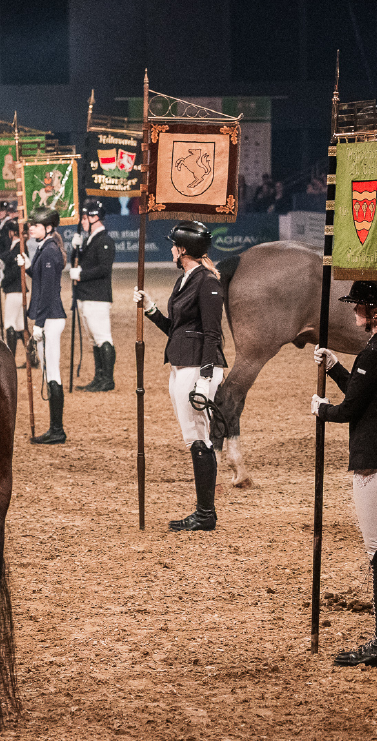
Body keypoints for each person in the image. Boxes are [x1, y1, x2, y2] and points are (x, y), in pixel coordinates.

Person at [311, 279, 377, 668]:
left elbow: (351, 409)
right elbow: (362, 393)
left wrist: (321, 409)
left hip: (376, 460)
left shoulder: (375, 352)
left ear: (376, 312)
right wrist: (336, 366)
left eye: (360, 305)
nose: (354, 310)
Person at [134, 221, 226, 532]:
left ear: (183, 249)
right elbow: (178, 331)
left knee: (199, 438)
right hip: (181, 364)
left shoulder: (207, 282)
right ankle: (204, 511)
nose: (172, 249)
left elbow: (213, 334)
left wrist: (205, 377)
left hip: (198, 367)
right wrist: (150, 309)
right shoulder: (184, 279)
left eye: (175, 245)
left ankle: (205, 513)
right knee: (193, 437)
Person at [24, 207, 67, 445]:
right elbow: (41, 278)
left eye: (36, 225)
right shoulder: (45, 248)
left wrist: (39, 324)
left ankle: (57, 429)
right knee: (48, 371)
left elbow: (48, 291)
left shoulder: (49, 251)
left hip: (50, 318)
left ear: (48, 228)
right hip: (48, 317)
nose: (31, 228)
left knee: (52, 373)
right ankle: (55, 428)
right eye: (31, 224)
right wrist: (27, 267)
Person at [69, 198, 116, 391]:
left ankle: (108, 379)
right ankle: (99, 377)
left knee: (102, 337)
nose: (82, 222)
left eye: (85, 218)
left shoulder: (104, 240)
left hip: (97, 296)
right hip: (86, 295)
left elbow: (104, 269)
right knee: (94, 339)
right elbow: (77, 262)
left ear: (95, 217)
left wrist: (81, 274)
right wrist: (75, 249)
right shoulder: (90, 239)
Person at [0, 204, 36, 368]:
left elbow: (15, 272)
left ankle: (10, 360)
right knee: (20, 326)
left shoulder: (20, 247)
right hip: (17, 289)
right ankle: (33, 357)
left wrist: (2, 281)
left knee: (10, 324)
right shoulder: (16, 246)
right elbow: (8, 257)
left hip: (15, 289)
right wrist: (0, 261)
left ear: (12, 233)